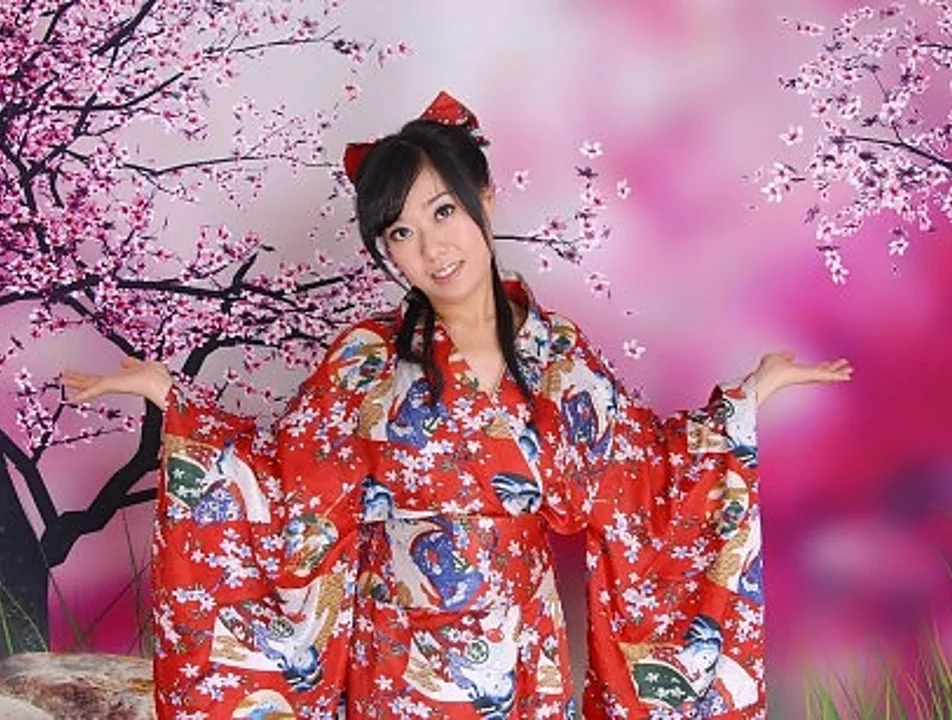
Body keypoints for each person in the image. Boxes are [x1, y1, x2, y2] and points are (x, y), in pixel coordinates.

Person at [61, 91, 852, 719]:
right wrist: (172, 398)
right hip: (395, 656)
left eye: (443, 212)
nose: (432, 247)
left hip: (521, 654)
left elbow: (644, 476)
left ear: (485, 199)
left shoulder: (555, 352)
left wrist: (749, 397)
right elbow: (282, 482)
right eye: (401, 233)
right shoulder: (366, 358)